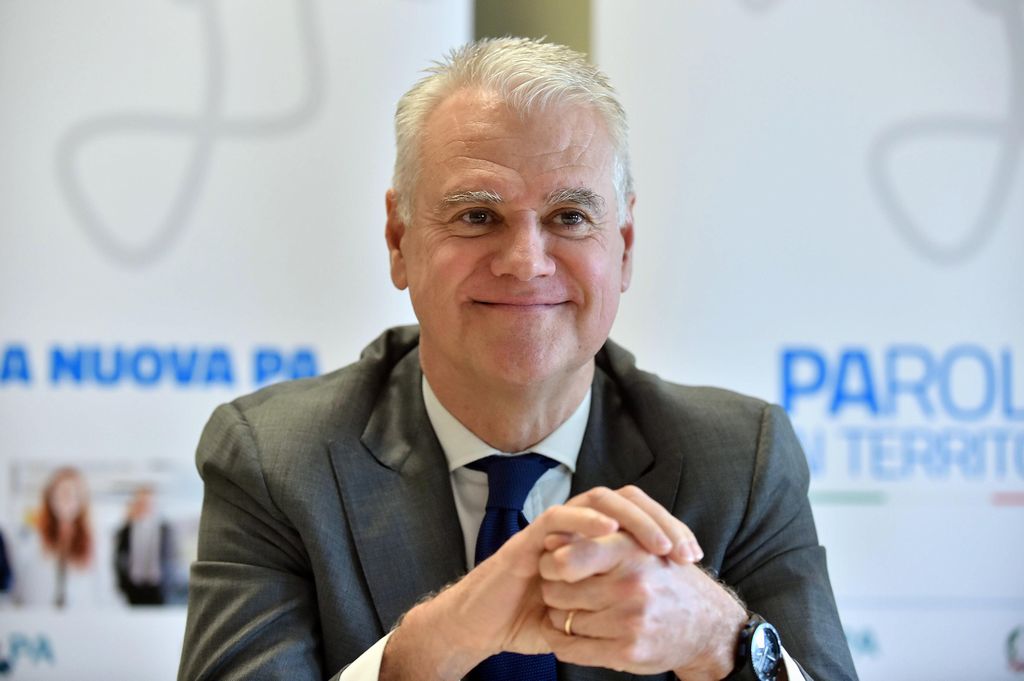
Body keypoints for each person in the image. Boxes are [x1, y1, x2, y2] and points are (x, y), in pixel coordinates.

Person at [178, 38, 857, 681]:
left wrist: (721, 640)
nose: (526, 262)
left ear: (623, 246)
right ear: (398, 238)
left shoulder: (740, 459)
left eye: (569, 217)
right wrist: (436, 643)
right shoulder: (275, 459)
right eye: (478, 215)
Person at [114, 485, 176, 605]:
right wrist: (122, 584)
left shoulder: (165, 529)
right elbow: (119, 559)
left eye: (148, 503)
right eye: (141, 502)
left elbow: (171, 557)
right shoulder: (125, 530)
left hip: (159, 586)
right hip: (133, 586)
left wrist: (170, 582)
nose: (145, 506)